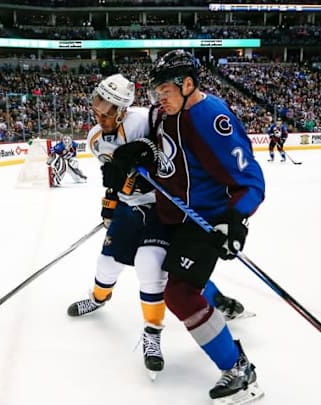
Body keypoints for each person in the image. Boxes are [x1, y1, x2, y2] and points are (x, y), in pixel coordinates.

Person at [67, 73, 250, 378]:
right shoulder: (94, 139)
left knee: (150, 268)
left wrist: (147, 154)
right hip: (129, 210)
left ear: (124, 109)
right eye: (97, 104)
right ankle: (98, 299)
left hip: (159, 208)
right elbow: (112, 180)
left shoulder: (146, 119)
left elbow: (172, 141)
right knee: (106, 264)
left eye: (108, 108)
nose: (100, 113)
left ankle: (152, 333)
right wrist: (110, 204)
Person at [111, 50, 265, 403]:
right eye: (156, 92)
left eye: (164, 90)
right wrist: (138, 154)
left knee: (179, 294)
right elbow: (167, 154)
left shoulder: (211, 117)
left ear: (188, 84)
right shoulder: (169, 114)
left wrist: (234, 220)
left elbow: (251, 180)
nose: (158, 99)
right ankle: (219, 303)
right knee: (173, 277)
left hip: (207, 219)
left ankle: (239, 369)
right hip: (176, 216)